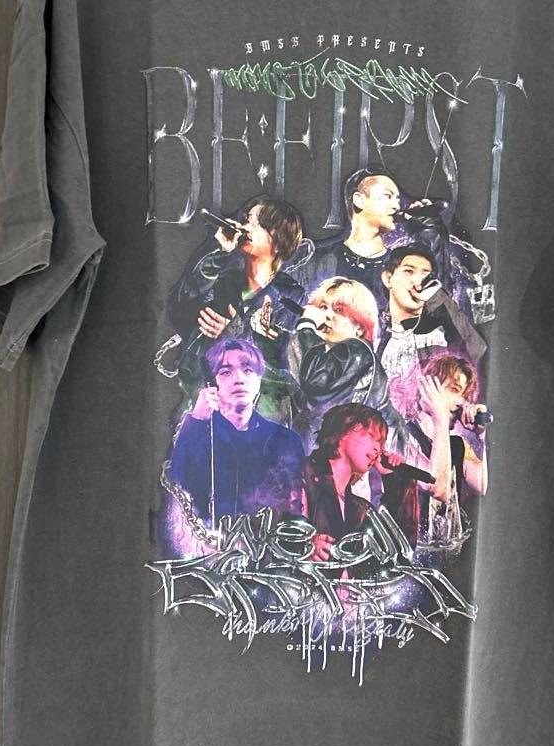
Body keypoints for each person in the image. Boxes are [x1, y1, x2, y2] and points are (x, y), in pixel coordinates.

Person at [166, 195, 306, 420]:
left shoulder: (290, 297)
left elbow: (282, 372)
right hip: (209, 411)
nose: (246, 227)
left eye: (258, 223)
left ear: (279, 240)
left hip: (260, 419)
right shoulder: (225, 283)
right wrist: (219, 252)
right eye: (247, 220)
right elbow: (180, 306)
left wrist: (232, 334)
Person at [166, 337, 306, 529]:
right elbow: (176, 491)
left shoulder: (285, 440)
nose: (239, 379)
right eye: (225, 372)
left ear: (259, 380)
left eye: (248, 370)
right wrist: (197, 419)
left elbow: (296, 505)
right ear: (211, 384)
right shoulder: (198, 433)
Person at [303, 168, 450, 313]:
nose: (396, 206)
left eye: (397, 200)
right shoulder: (317, 260)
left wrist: (430, 233)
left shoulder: (402, 267)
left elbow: (435, 307)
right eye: (388, 196)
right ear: (359, 200)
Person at [384, 351, 488, 550]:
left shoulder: (455, 444)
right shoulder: (401, 435)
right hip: (410, 552)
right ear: (430, 386)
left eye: (464, 395)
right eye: (454, 389)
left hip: (445, 553)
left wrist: (482, 436)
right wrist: (440, 416)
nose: (461, 401)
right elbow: (438, 488)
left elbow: (481, 485)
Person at [286, 276, 402, 451]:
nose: (327, 315)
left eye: (339, 310)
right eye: (323, 307)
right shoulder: (330, 357)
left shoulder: (358, 351)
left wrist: (306, 325)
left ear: (359, 327)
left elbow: (316, 381)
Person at [303, 404, 407, 567]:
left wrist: (393, 480)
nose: (378, 449)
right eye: (373, 437)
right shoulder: (300, 475)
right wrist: (302, 545)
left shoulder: (360, 508)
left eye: (381, 444)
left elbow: (398, 550)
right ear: (346, 431)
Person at [377, 242, 489, 381]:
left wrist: (436, 296)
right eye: (409, 271)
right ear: (388, 278)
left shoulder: (438, 333)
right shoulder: (378, 334)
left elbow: (474, 349)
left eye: (425, 275)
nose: (418, 282)